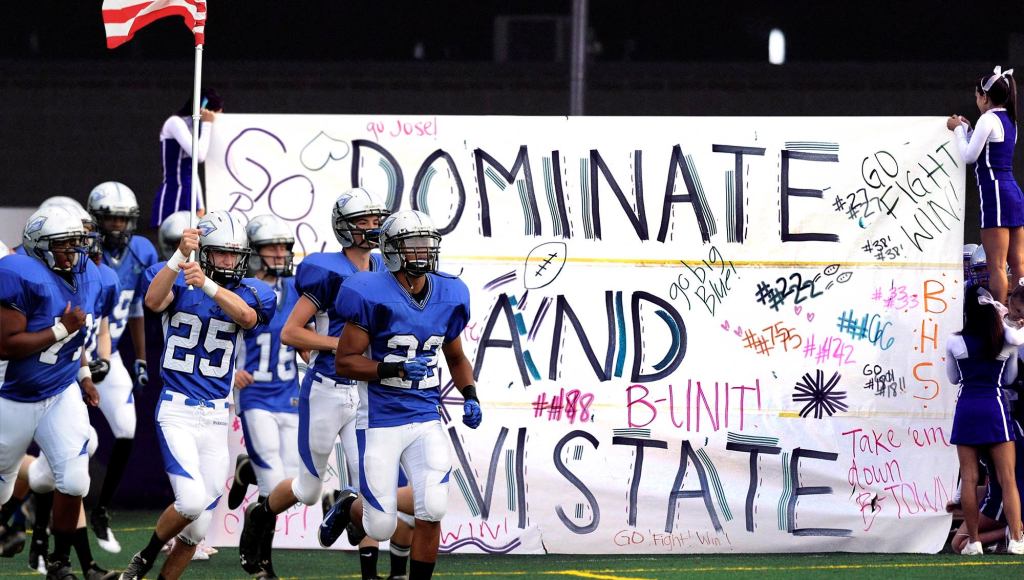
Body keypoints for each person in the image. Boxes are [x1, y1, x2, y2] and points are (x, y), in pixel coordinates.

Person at [238, 188, 392, 580]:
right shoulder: (327, 270)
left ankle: (369, 573)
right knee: (308, 490)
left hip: (365, 393)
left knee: (368, 484)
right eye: (364, 221)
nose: (373, 227)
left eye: (377, 220)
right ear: (345, 228)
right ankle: (260, 514)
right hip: (326, 389)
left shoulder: (384, 270)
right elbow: (291, 332)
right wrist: (337, 345)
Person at [323, 210, 482, 580]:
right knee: (379, 526)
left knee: (433, 507)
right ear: (392, 250)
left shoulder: (449, 293)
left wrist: (471, 393)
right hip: (380, 418)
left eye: (427, 243)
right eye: (413, 245)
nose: (423, 252)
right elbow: (345, 362)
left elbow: (456, 356)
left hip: (425, 416)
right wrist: (390, 369)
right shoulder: (370, 293)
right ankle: (350, 507)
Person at [119, 211, 275, 580]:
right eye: (221, 253)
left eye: (235, 254)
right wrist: (178, 258)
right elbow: (154, 301)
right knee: (189, 502)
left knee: (196, 530)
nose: (230, 261)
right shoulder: (177, 276)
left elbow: (248, 318)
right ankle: (145, 556)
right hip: (178, 410)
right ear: (203, 252)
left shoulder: (251, 290)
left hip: (218, 417)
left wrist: (207, 284)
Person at [0, 206, 102, 579]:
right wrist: (60, 329)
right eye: (65, 244)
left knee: (75, 479)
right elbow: (6, 345)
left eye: (78, 241)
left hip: (60, 389)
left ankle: (59, 563)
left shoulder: (86, 273)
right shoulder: (18, 273)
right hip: (14, 395)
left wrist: (85, 374)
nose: (75, 250)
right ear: (40, 247)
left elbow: (78, 338)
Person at [223, 215, 301, 579]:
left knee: (296, 483)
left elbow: (310, 331)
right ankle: (261, 562)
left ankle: (246, 469)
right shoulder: (239, 290)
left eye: (284, 246)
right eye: (272, 246)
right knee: (273, 485)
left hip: (290, 394)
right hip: (254, 395)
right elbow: (219, 337)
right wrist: (229, 370)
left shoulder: (298, 287)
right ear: (253, 252)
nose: (280, 253)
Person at [85, 182, 159, 552]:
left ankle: (100, 508)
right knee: (79, 439)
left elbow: (135, 310)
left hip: (109, 353)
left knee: (127, 429)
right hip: (72, 359)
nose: (118, 226)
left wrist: (141, 357)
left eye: (123, 219)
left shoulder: (141, 251)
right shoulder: (82, 252)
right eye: (111, 219)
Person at [948, 285, 1024, 555]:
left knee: (968, 478)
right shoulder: (1007, 340)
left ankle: (975, 542)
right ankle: (1017, 539)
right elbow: (1009, 379)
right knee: (1007, 478)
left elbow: (953, 378)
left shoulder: (955, 342)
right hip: (995, 406)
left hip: (967, 405)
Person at [950, 66, 1023, 304]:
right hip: (1012, 191)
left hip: (995, 193)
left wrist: (959, 131)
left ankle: (999, 321)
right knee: (1018, 263)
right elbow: (989, 150)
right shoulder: (1011, 120)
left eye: (976, 96)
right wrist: (970, 130)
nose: (976, 101)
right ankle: (1019, 317)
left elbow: (970, 156)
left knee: (997, 267)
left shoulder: (988, 118)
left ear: (984, 97)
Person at [150, 89, 222, 228]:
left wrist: (201, 204)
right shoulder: (174, 122)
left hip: (190, 194)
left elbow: (192, 169)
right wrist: (207, 124)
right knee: (172, 240)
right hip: (173, 192)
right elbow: (199, 156)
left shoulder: (195, 127)